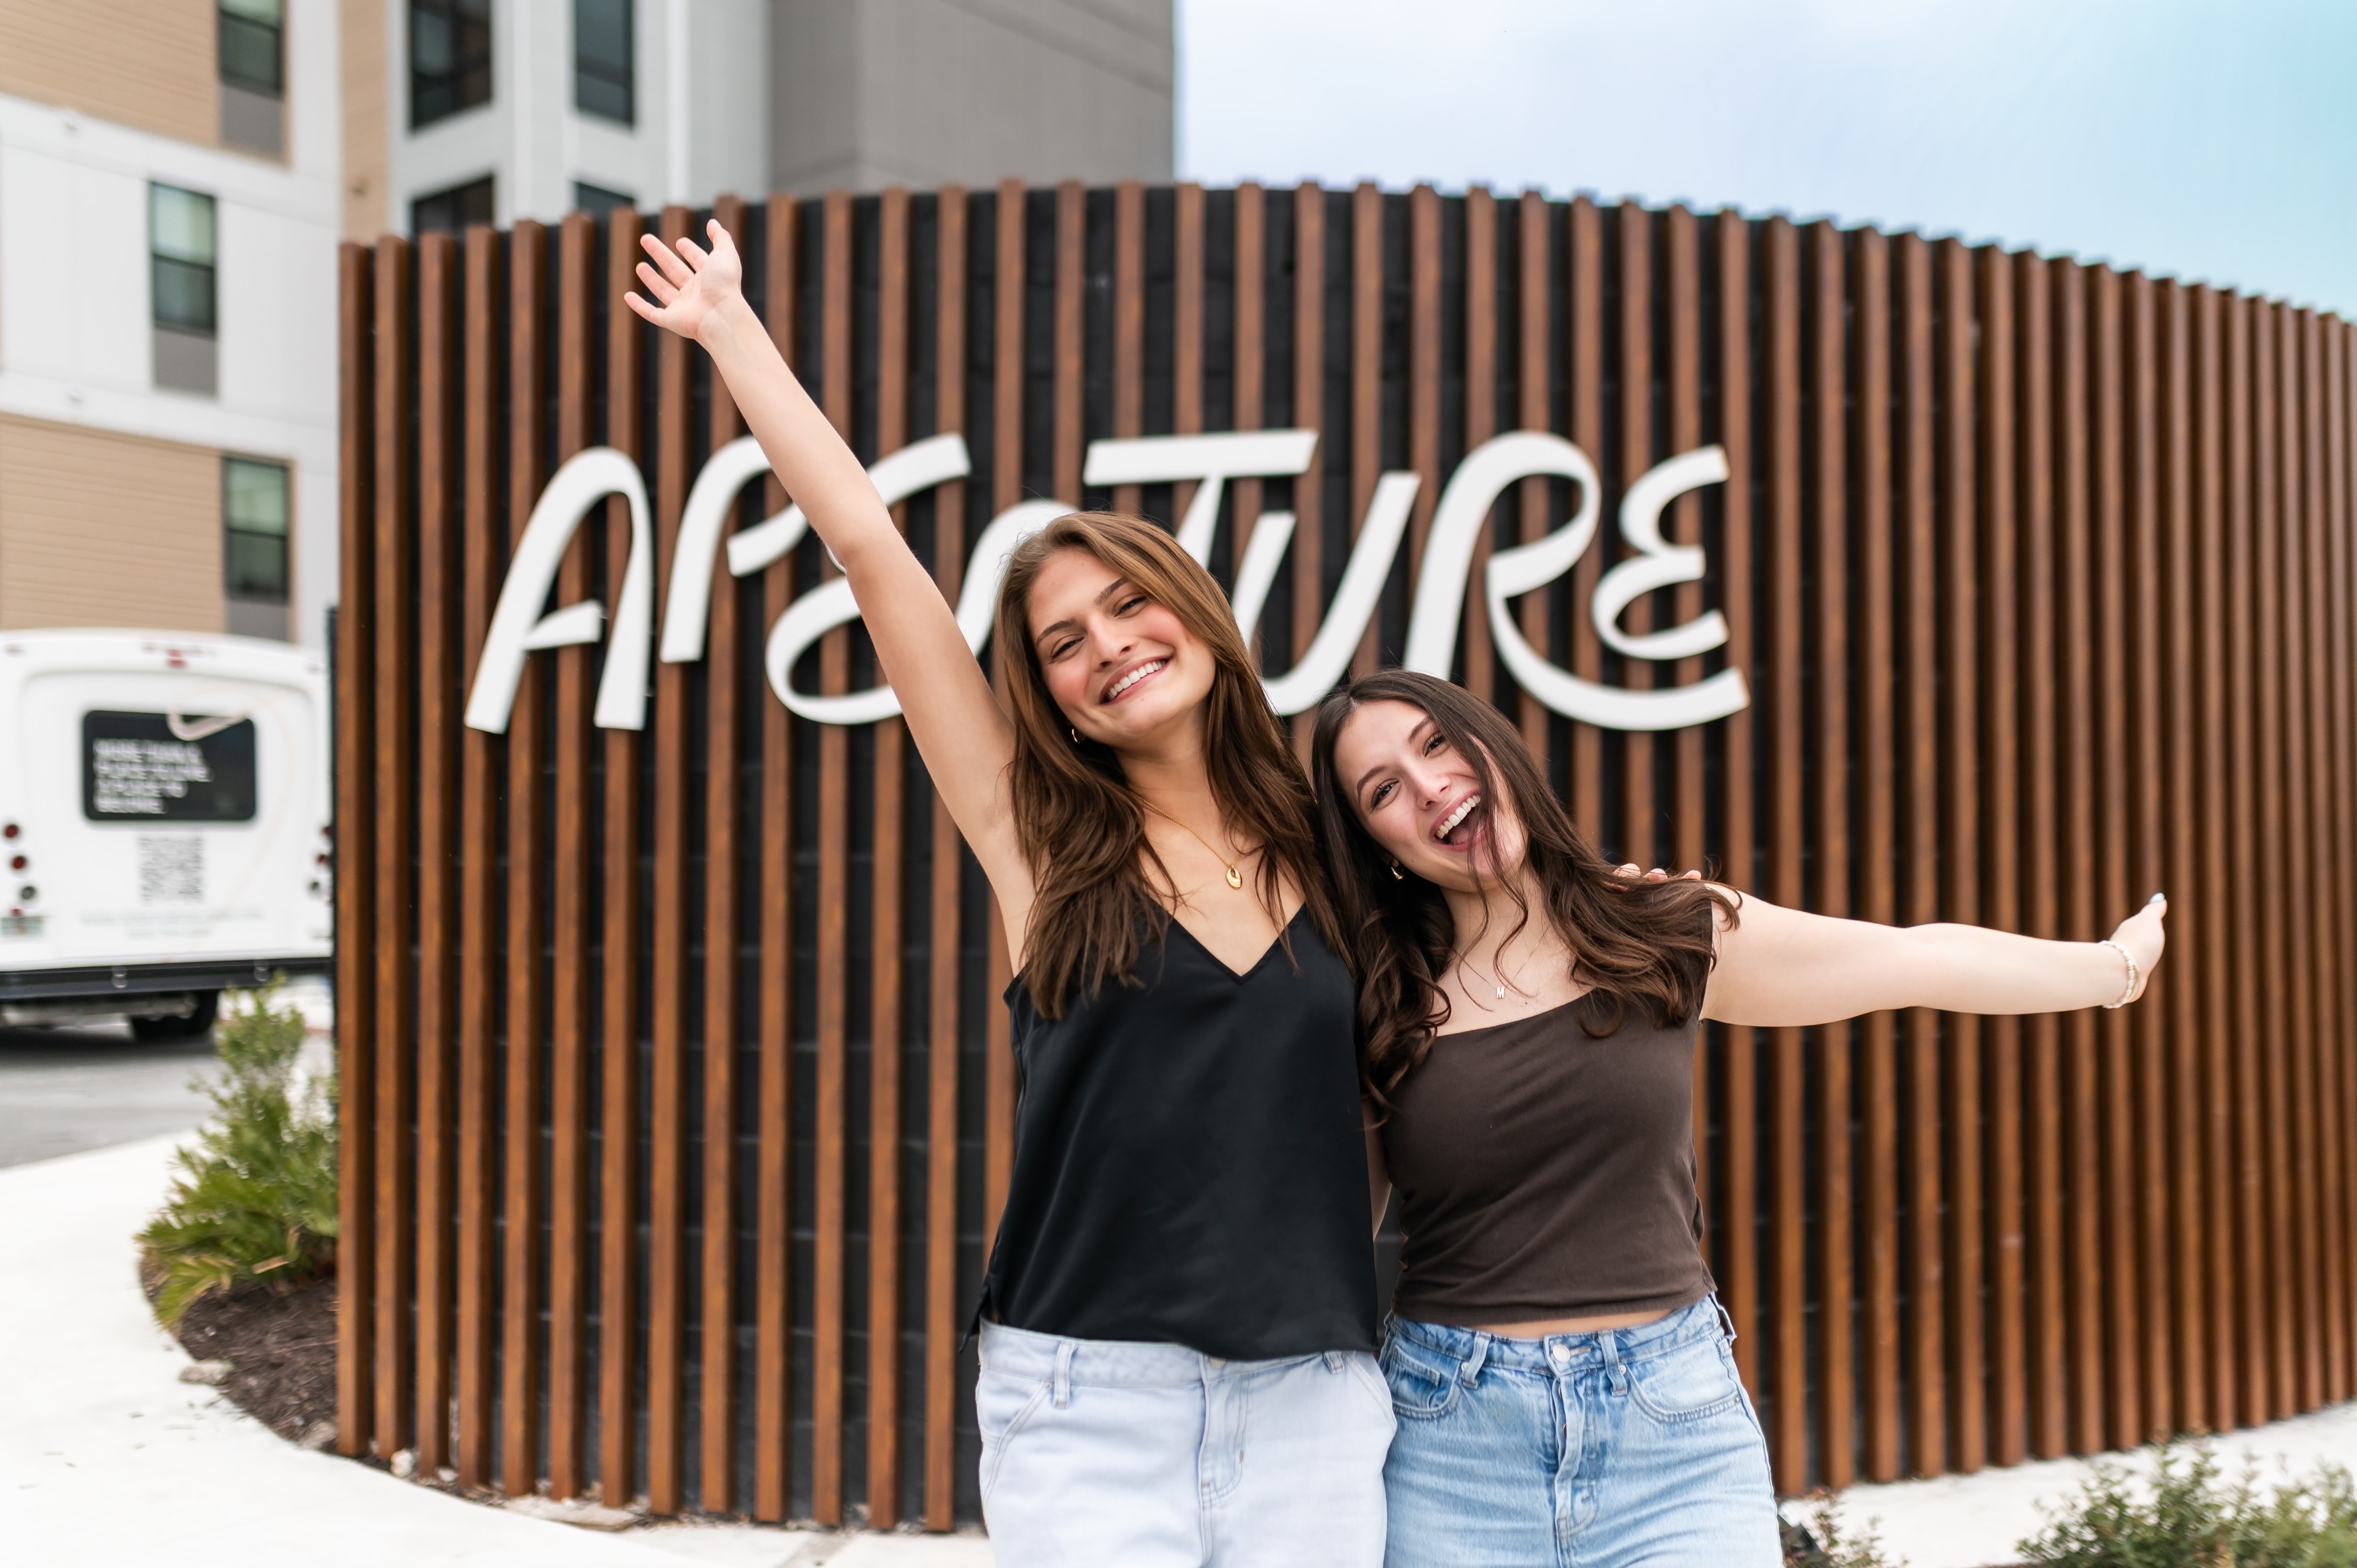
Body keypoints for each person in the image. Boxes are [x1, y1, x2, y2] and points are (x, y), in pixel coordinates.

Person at [629, 223, 1391, 1565]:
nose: (1108, 647)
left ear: (1197, 613)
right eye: (1062, 643)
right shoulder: (1036, 841)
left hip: (1314, 1399)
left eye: (1127, 607)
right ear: (1051, 699)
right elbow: (868, 548)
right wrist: (731, 331)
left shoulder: (1330, 833)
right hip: (1089, 1403)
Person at [1309, 669, 2168, 1568]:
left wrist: (2114, 968)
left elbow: (1922, 959)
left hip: (1672, 1430)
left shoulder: (1662, 931)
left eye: (1437, 743)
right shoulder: (1385, 1004)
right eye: (1384, 790)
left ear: (1492, 745)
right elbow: (1328, 1239)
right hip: (1453, 1443)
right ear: (1384, 849)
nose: (1429, 784)